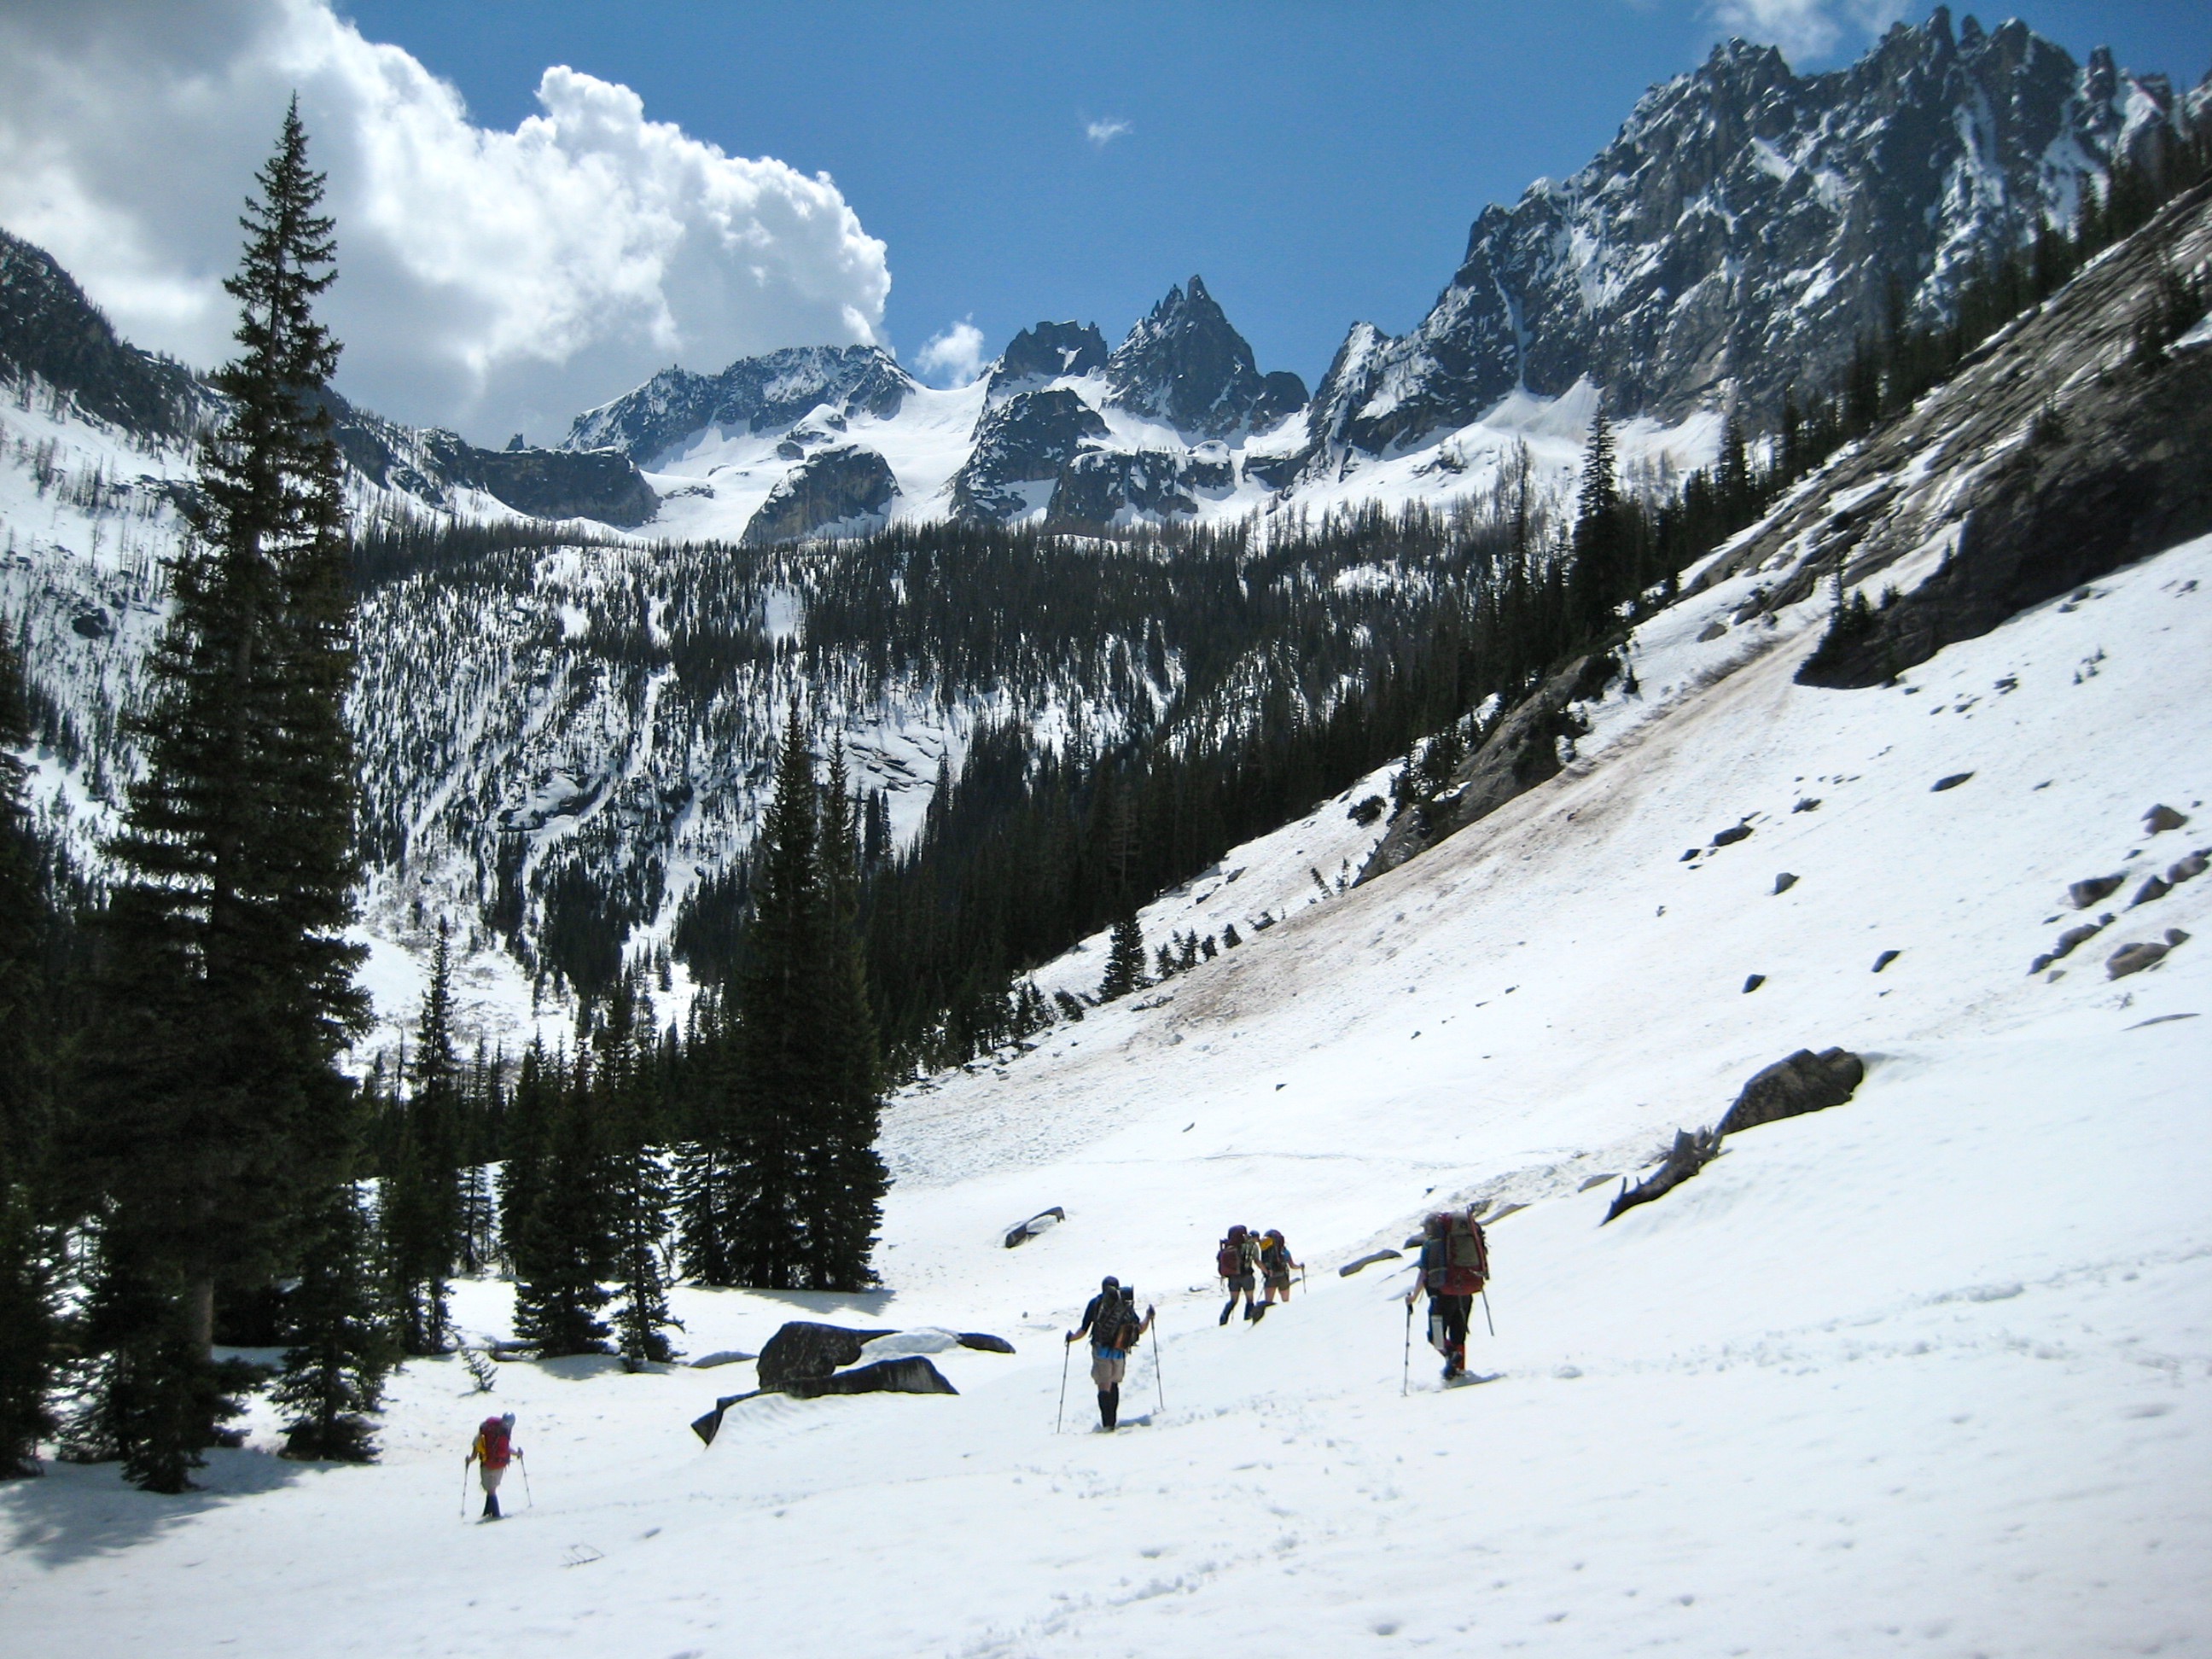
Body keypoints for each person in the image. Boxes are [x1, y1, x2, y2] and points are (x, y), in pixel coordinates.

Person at [1405, 1208, 1488, 1380]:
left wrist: (1413, 1297)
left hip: (1441, 1297)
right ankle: (1458, 1371)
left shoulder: (1431, 1245)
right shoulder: (1461, 1241)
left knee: (1435, 1336)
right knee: (1458, 1334)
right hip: (1465, 1293)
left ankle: (1451, 1356)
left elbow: (1423, 1274)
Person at [1067, 1275, 1154, 1430]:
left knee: (1103, 1385)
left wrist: (1071, 1338)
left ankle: (1107, 1424)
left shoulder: (1096, 1303)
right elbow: (1140, 1328)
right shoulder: (1124, 1304)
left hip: (1101, 1350)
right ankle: (1112, 1420)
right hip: (1119, 1350)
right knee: (1114, 1384)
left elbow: (1083, 1331)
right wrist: (1149, 1316)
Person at [465, 1412, 521, 1520]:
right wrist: (517, 1454)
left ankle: (495, 1514)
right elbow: (506, 1449)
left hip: (487, 1464)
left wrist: (468, 1460)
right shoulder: (505, 1432)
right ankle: (488, 1512)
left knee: (490, 1490)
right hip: (500, 1464)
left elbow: (474, 1455)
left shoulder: (483, 1436)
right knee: (492, 1489)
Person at [1216, 1224, 1264, 1324]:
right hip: (1247, 1275)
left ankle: (1223, 1319)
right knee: (1249, 1299)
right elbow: (1257, 1261)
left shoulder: (1228, 1246)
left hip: (1233, 1277)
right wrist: (1266, 1271)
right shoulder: (1251, 1246)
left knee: (1233, 1300)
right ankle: (1247, 1319)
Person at [1259, 1228, 1301, 1307]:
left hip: (1270, 1278)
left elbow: (1261, 1264)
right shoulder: (1285, 1252)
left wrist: (1267, 1272)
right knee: (1286, 1303)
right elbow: (1292, 1266)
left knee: (1268, 1303)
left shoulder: (1265, 1251)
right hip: (1283, 1277)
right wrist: (1300, 1266)